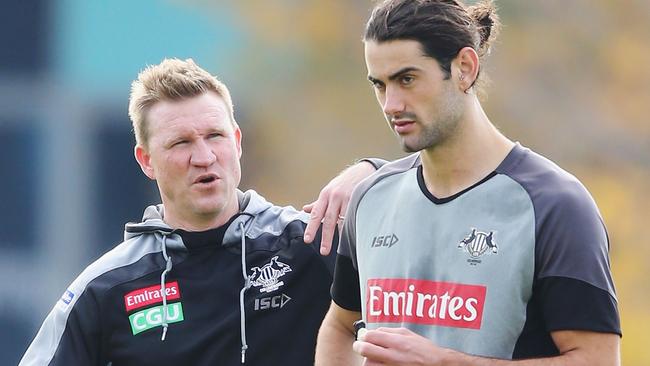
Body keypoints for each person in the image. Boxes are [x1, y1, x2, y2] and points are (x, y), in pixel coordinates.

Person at [315, 1, 621, 365]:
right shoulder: (370, 198)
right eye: (379, 85)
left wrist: (444, 362)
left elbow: (598, 360)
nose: (391, 104)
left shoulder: (555, 205)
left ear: (464, 68)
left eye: (406, 79)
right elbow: (339, 325)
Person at [19, 58, 378, 365]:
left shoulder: (312, 244)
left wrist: (375, 172)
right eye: (181, 143)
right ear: (147, 161)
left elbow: (425, 285)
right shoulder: (106, 288)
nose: (204, 157)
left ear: (236, 143)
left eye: (215, 136)